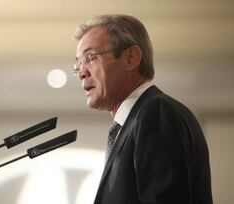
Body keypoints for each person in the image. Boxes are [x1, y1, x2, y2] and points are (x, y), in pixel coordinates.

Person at [73, 15, 213, 204]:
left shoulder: (156, 113)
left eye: (90, 58)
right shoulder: (134, 122)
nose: (82, 72)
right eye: (79, 63)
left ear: (130, 58)